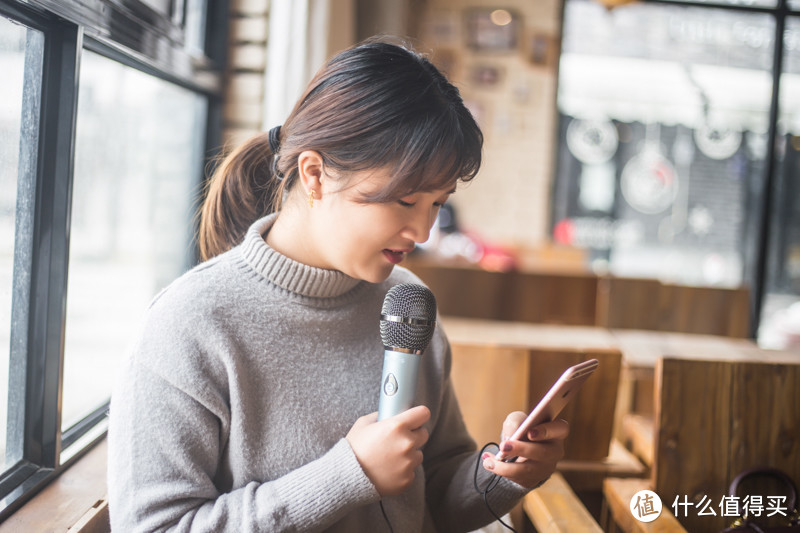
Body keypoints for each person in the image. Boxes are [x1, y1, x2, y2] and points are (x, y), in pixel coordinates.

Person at [107, 37, 569, 532]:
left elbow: (428, 497)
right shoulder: (190, 323)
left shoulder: (407, 306)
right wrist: (347, 476)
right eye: (404, 200)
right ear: (315, 174)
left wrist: (502, 475)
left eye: (438, 203)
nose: (423, 232)